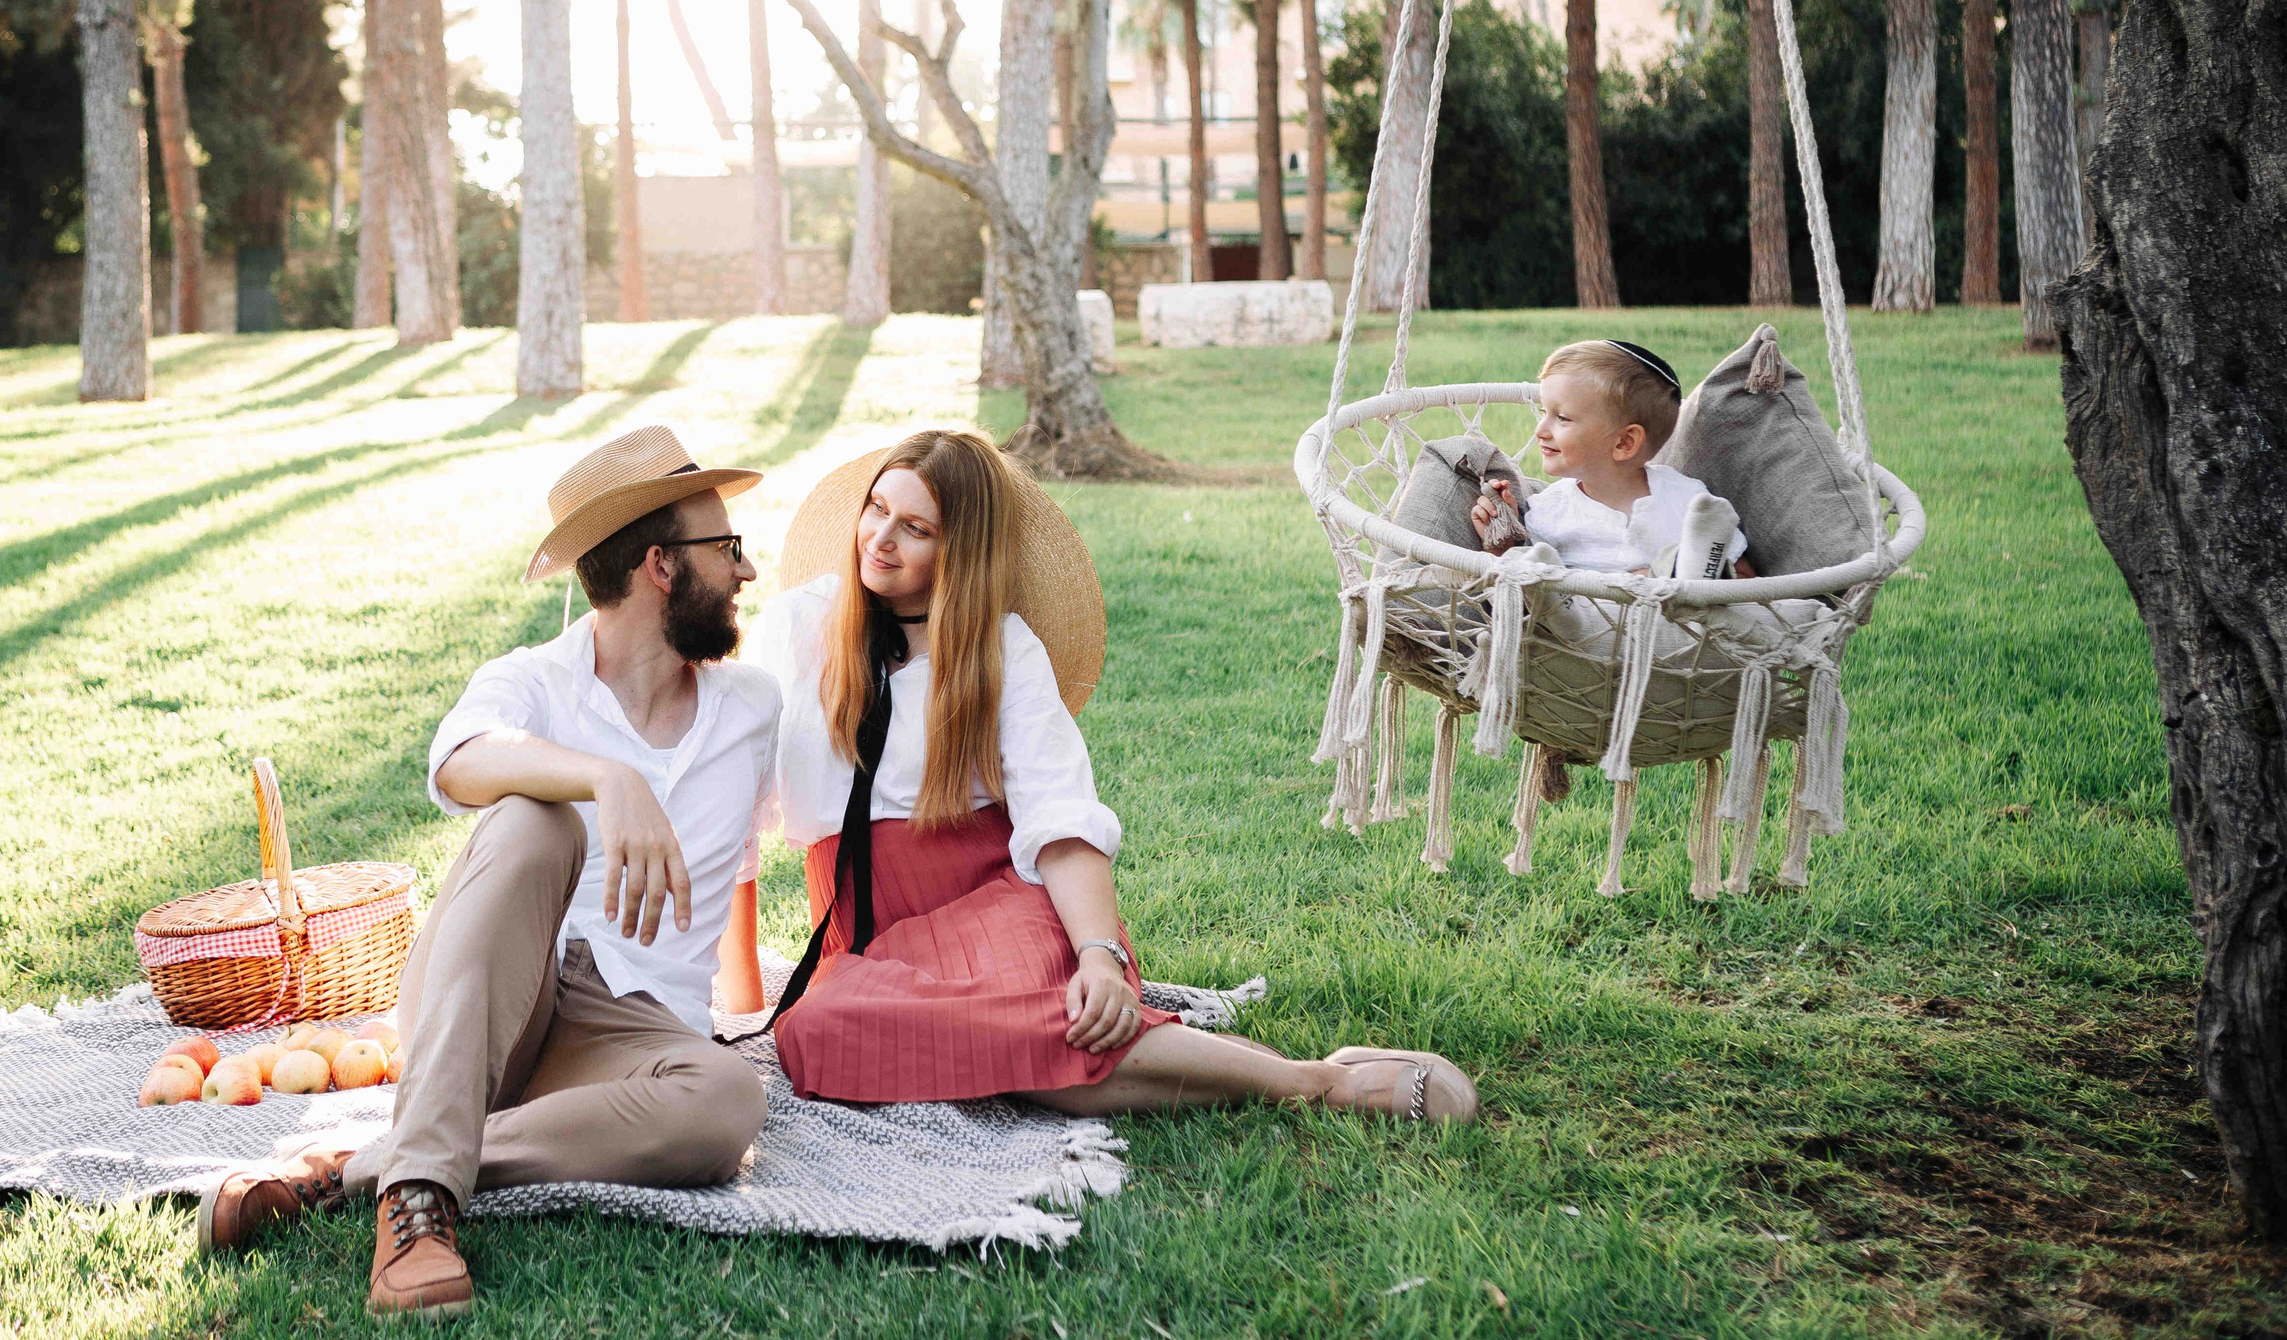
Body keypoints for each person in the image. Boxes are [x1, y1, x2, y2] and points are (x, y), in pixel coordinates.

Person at [196, 426, 780, 1319]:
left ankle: (366, 1170)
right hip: (499, 994)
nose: (745, 570)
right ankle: (420, 1208)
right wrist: (604, 777)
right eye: (728, 547)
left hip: (628, 1039)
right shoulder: (532, 681)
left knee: (731, 1100)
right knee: (533, 822)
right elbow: (461, 761)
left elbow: (737, 870)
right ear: (662, 566)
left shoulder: (753, 708)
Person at [728, 428, 1477, 1123]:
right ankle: (1284, 1072)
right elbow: (738, 808)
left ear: (960, 550)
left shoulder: (1000, 649)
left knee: (1063, 1035)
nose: (880, 540)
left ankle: (1322, 1083)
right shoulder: (798, 624)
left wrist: (1098, 953)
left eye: (915, 529)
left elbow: (1060, 814)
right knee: (816, 1032)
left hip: (997, 898)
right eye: (876, 511)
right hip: (866, 934)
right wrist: (741, 992)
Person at [1473, 339, 1757, 581]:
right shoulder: (1549, 510)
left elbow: (1746, 578)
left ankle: (1682, 576)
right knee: (1539, 572)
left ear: (1624, 443)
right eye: (1544, 412)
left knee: (1676, 569)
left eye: (1561, 418)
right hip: (1584, 631)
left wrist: (1656, 580)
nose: (1540, 430)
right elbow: (1511, 584)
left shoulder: (1689, 501)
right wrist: (1503, 543)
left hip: (1678, 627)